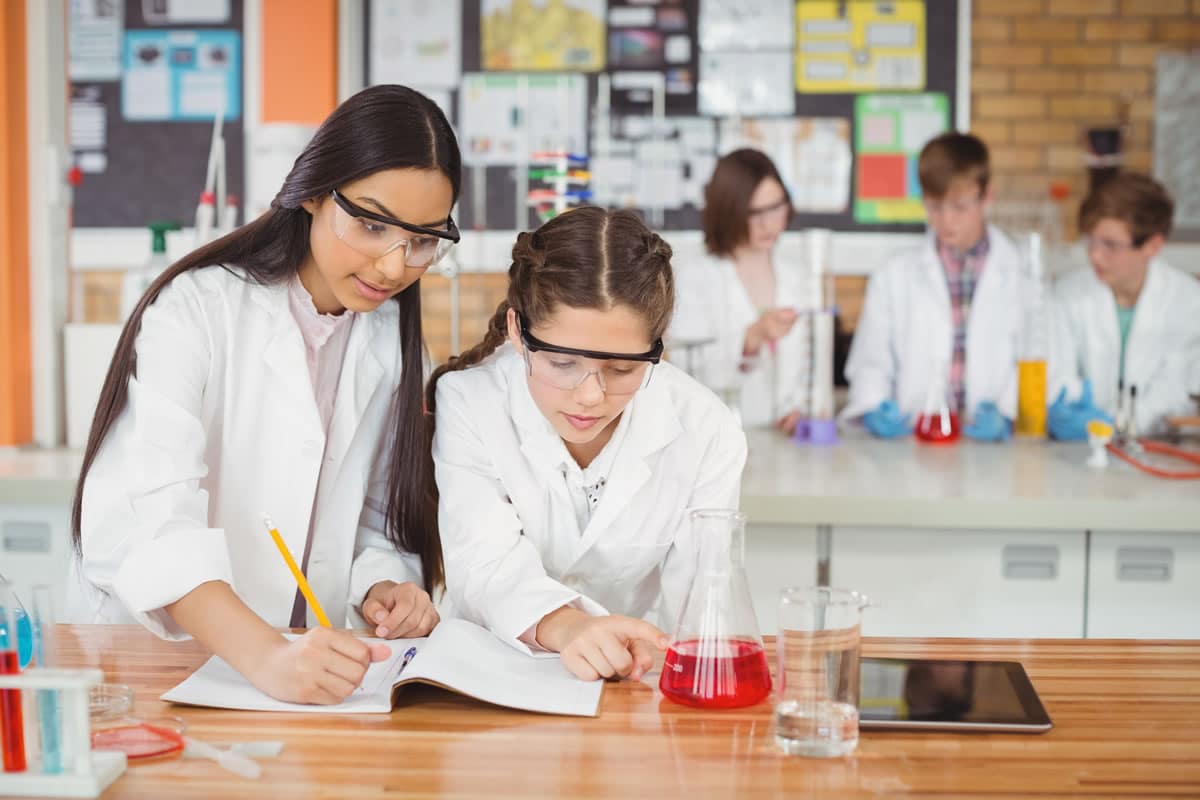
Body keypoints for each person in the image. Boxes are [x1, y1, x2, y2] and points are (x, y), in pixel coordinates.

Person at [69, 85, 455, 705]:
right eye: (371, 223)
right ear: (311, 192)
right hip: (158, 666)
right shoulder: (196, 310)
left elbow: (377, 517)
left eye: (423, 239)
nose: (392, 266)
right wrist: (266, 655)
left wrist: (384, 584)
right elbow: (148, 521)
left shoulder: (392, 343)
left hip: (306, 675)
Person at [429, 207, 747, 682]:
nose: (590, 396)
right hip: (485, 676)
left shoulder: (705, 429)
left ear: (656, 348)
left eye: (623, 369)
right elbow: (482, 562)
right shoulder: (470, 403)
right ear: (519, 332)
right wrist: (569, 626)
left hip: (625, 679)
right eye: (562, 365)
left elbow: (702, 603)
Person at [841, 132, 1028, 442]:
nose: (945, 220)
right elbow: (871, 359)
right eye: (934, 206)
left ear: (987, 196)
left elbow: (1031, 354)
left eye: (959, 207)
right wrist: (873, 406)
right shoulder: (894, 274)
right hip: (913, 442)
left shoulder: (1021, 272)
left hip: (994, 445)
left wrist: (1009, 414)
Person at [669, 148, 811, 433]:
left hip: (785, 443)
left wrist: (800, 408)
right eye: (753, 213)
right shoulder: (698, 277)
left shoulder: (798, 276)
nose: (768, 223)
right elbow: (686, 373)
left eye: (775, 207)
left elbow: (806, 369)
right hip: (715, 441)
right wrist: (752, 337)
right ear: (728, 213)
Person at [1048, 172, 1200, 439]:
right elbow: (1058, 376)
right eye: (1091, 240)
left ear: (1152, 245)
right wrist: (1067, 408)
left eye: (1110, 245)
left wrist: (1113, 424)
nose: (1095, 255)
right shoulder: (1067, 295)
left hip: (1156, 452)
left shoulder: (1188, 302)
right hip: (1078, 454)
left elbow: (1176, 393)